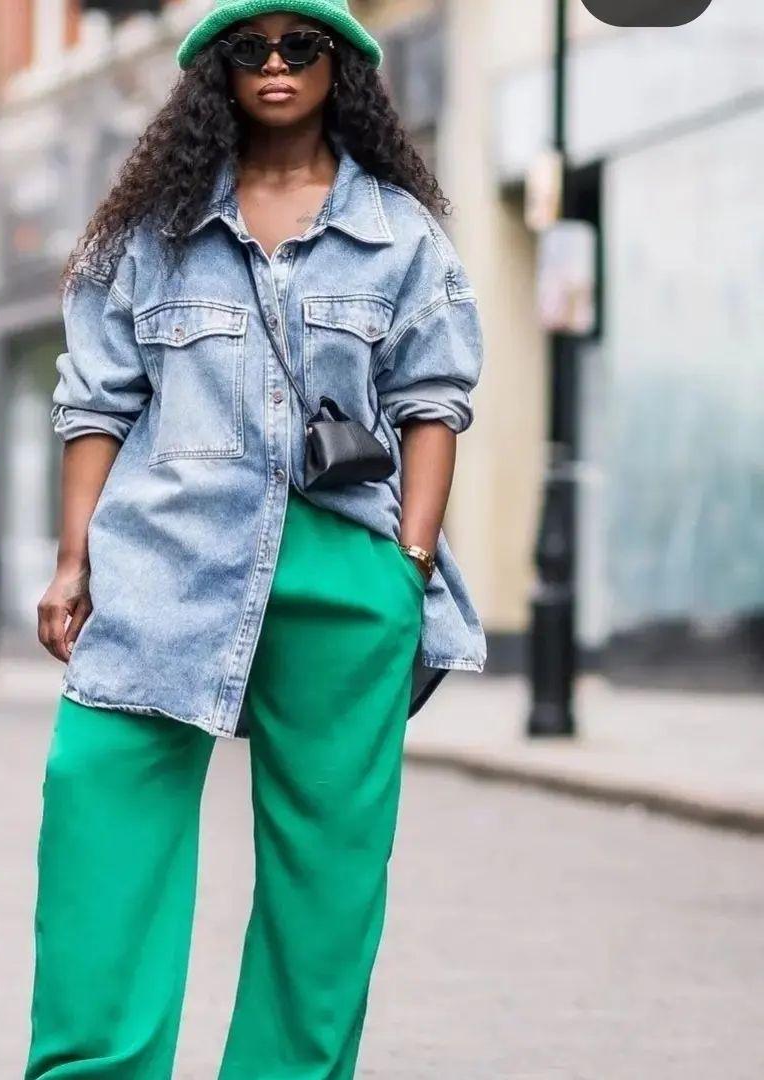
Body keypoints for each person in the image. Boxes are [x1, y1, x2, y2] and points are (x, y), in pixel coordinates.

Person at [25, 1, 486, 1076]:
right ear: (216, 70)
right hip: (163, 560)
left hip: (343, 571)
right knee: (95, 803)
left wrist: (409, 567)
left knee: (329, 868)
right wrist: (72, 560)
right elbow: (94, 406)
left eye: (301, 45)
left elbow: (433, 404)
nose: (276, 64)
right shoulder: (150, 235)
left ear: (342, 64)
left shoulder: (401, 235)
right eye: (251, 47)